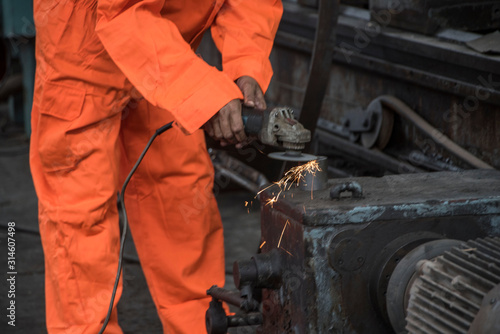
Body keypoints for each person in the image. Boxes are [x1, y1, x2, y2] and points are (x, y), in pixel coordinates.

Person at [29, 0, 283, 333]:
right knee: (79, 218)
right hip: (82, 51)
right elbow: (121, 14)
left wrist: (246, 66)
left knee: (180, 199)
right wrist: (201, 92)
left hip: (166, 49)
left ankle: (199, 326)